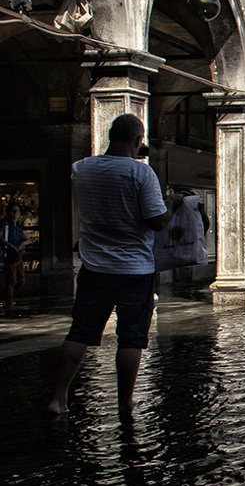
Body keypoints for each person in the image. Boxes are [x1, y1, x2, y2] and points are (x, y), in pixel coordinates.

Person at [46, 114, 182, 419]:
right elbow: (157, 221)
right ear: (137, 140)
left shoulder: (82, 169)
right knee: (131, 337)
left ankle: (57, 398)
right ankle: (125, 403)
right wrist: (171, 202)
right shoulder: (141, 174)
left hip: (94, 267)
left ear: (111, 135)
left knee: (79, 332)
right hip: (135, 270)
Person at [1, 202, 30, 317]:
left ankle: (9, 297)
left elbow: (26, 239)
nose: (15, 213)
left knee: (21, 280)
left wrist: (22, 244)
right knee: (11, 280)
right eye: (13, 211)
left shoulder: (17, 227)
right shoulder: (4, 224)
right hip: (9, 256)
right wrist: (10, 246)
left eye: (17, 211)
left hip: (18, 256)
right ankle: (9, 303)